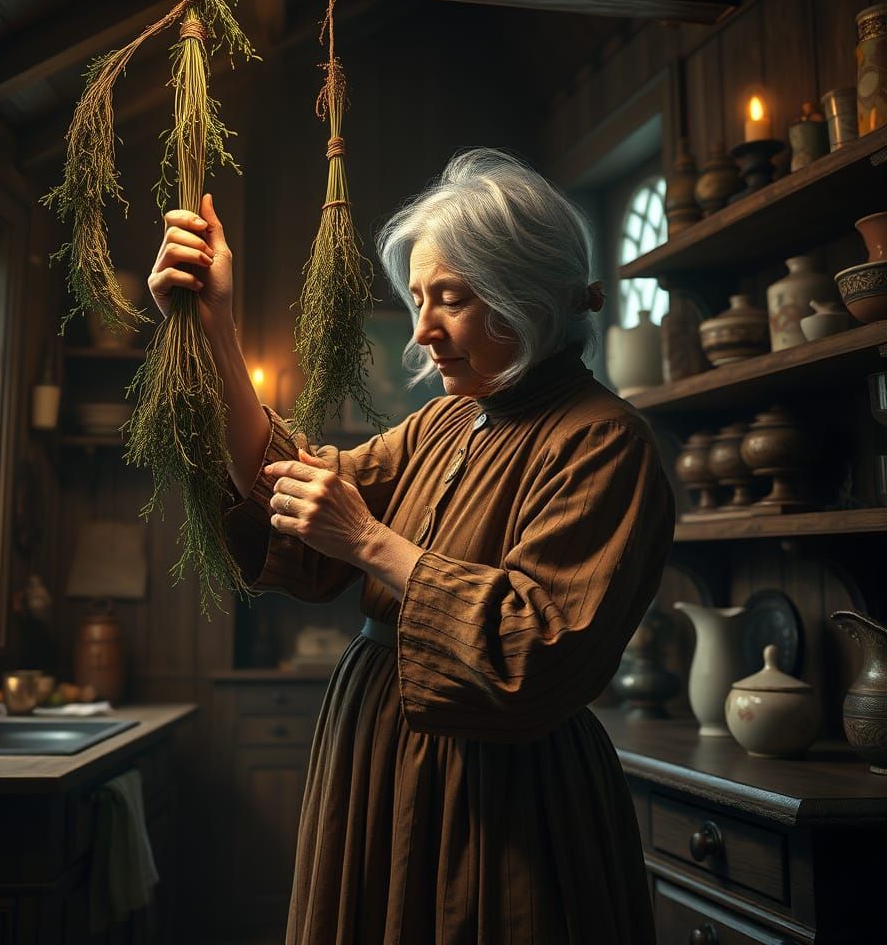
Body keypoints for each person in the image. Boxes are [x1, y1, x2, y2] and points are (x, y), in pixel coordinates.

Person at [149, 148, 675, 944]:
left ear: (525, 296)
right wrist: (213, 324)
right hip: (376, 752)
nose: (423, 330)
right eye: (420, 298)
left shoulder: (603, 443)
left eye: (451, 300)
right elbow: (287, 485)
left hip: (501, 786)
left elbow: (535, 646)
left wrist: (366, 539)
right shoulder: (446, 420)